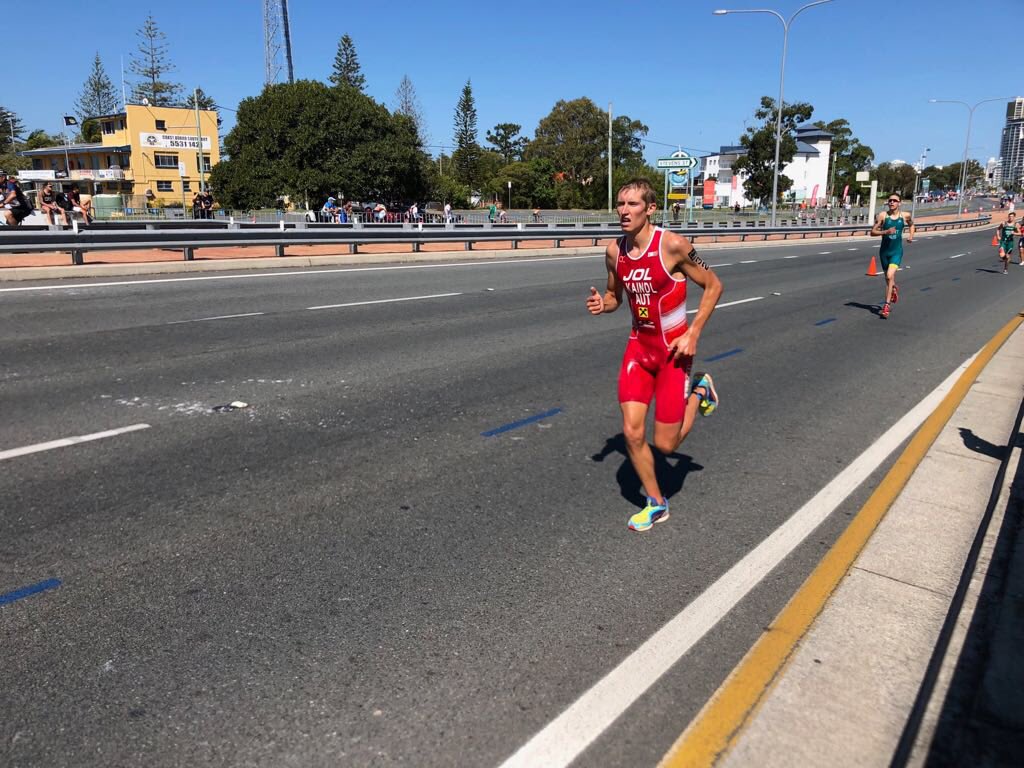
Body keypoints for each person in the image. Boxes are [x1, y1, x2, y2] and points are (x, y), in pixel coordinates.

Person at [585, 177, 723, 532]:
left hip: (674, 353)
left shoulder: (673, 246)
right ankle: (657, 503)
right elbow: (615, 297)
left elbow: (714, 285)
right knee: (631, 433)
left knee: (665, 444)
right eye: (620, 204)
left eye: (632, 204)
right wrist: (605, 304)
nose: (624, 211)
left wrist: (693, 333)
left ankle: (700, 391)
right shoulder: (614, 251)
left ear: (650, 209)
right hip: (639, 350)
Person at [870, 192, 914, 319]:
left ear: (899, 203)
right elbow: (872, 232)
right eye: (890, 200)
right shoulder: (883, 216)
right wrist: (885, 231)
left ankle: (886, 306)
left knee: (890, 275)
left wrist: (911, 236)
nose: (892, 202)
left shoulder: (905, 216)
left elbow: (912, 225)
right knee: (888, 279)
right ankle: (893, 288)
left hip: (896, 252)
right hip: (884, 252)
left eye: (895, 200)